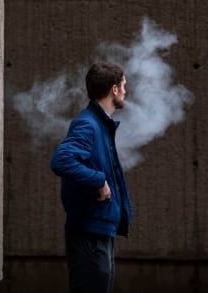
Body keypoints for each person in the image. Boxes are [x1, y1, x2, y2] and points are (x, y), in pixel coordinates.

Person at [50, 61, 133, 293]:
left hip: (99, 232)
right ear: (114, 89)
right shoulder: (88, 124)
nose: (126, 91)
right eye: (124, 86)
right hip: (89, 235)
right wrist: (99, 180)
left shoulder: (100, 125)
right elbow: (61, 160)